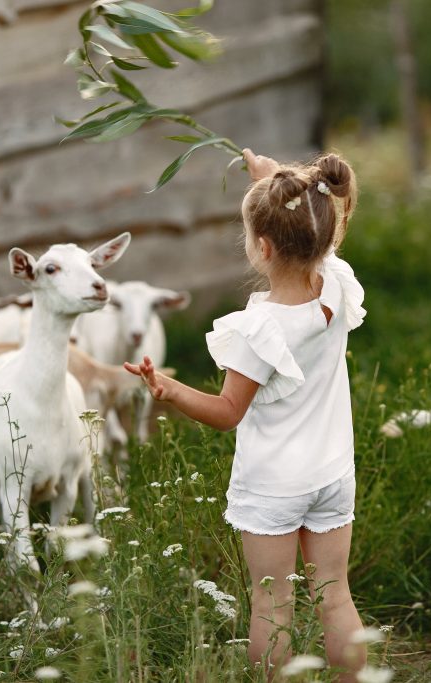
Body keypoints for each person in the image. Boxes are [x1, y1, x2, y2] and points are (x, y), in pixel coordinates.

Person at [125, 148, 367, 680]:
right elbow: (318, 238)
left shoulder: (262, 330)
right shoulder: (338, 284)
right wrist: (279, 185)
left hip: (275, 486)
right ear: (325, 234)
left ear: (261, 247)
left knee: (273, 606)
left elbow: (227, 412)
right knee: (335, 596)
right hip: (332, 474)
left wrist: (168, 389)